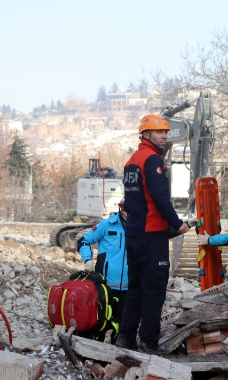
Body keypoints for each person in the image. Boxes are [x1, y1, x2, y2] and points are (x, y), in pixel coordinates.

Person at [115, 114, 191, 354]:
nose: (165, 136)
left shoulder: (131, 161)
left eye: (166, 132)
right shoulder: (152, 160)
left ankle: (125, 337)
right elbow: (159, 198)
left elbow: (136, 200)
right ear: (145, 134)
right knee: (154, 291)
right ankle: (149, 342)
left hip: (134, 235)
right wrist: (177, 224)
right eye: (160, 132)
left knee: (135, 289)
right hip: (152, 237)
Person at [78, 198, 128, 343]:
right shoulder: (106, 225)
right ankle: (93, 352)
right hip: (105, 286)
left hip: (129, 288)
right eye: (126, 211)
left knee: (122, 324)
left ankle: (116, 354)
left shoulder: (139, 227)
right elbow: (84, 241)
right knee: (100, 321)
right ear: (121, 210)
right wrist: (88, 260)